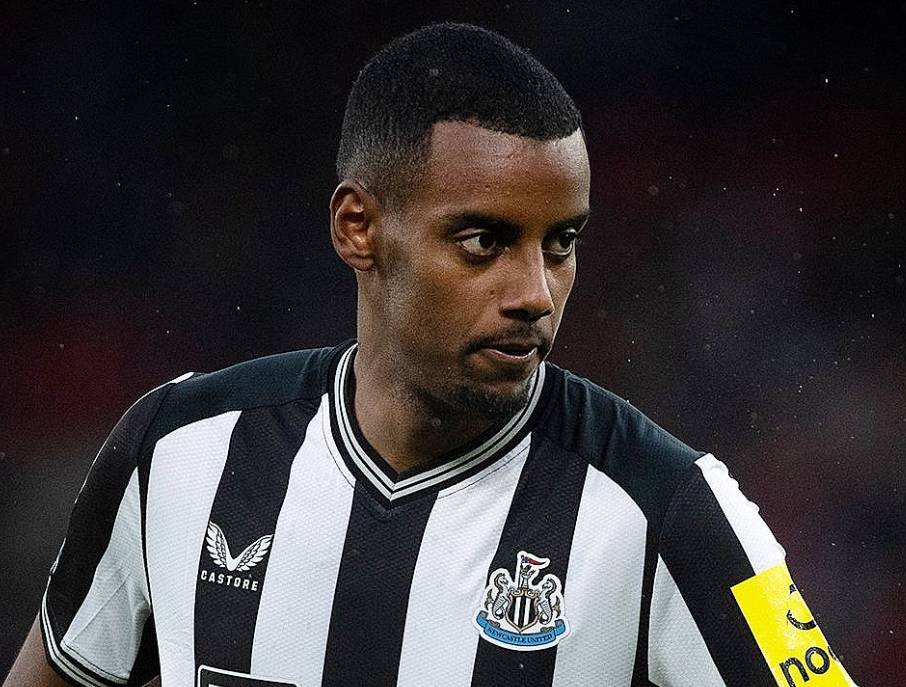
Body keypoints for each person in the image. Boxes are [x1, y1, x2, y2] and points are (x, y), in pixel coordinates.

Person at [4, 22, 856, 687]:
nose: (536, 292)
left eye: (561, 243)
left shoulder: (669, 507)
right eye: (485, 241)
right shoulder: (177, 449)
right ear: (359, 228)